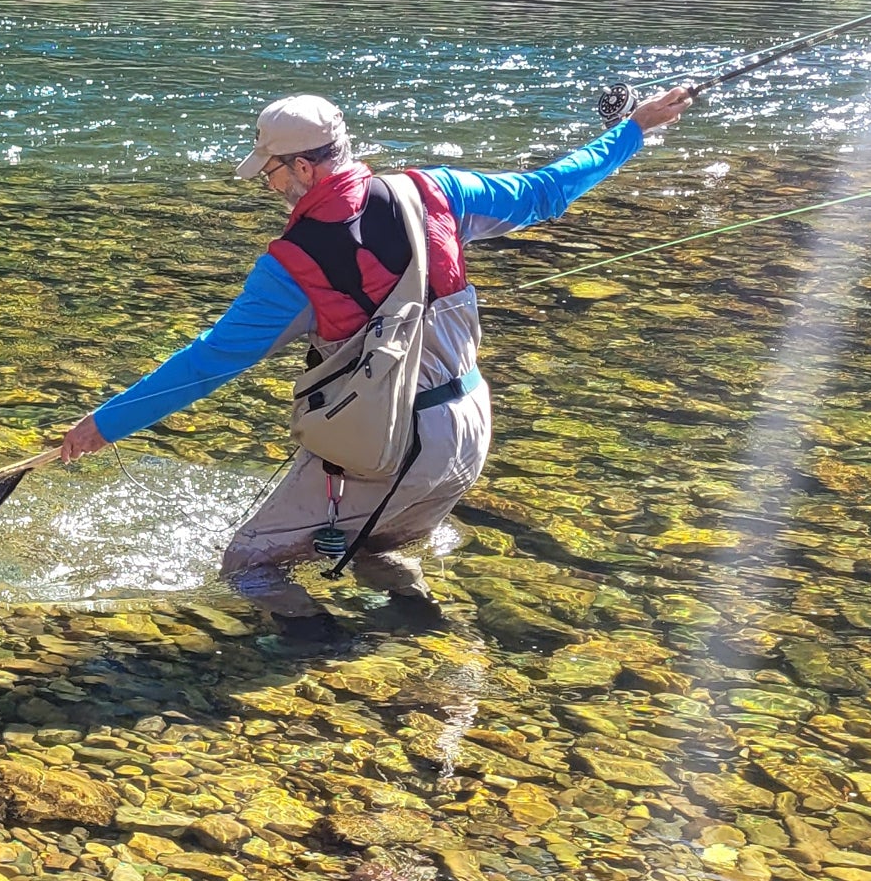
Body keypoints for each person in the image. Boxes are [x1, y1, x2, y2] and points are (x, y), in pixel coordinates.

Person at [53, 88, 694, 635]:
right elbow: (548, 191)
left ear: (303, 168)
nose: (269, 186)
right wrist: (633, 130)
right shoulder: (434, 191)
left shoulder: (292, 265)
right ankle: (419, 628)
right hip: (470, 427)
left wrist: (102, 425)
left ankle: (317, 662)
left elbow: (211, 362)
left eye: (271, 172)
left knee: (248, 562)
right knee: (373, 543)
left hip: (393, 447)